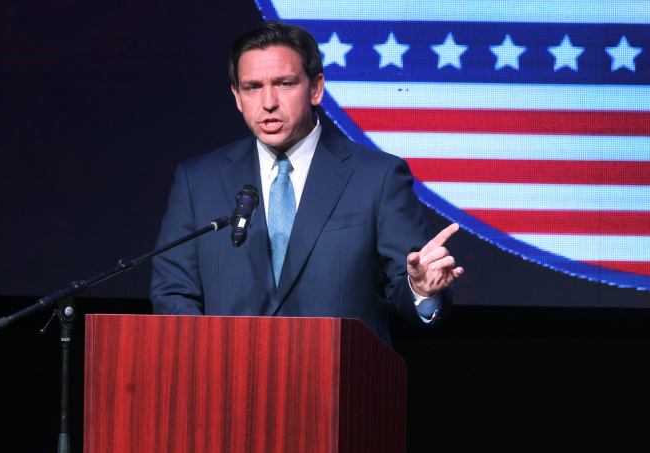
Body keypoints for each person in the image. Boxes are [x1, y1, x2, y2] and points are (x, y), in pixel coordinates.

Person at [150, 20, 463, 346]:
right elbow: (173, 290)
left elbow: (405, 287)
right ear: (237, 96)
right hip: (225, 383)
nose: (268, 102)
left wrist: (420, 290)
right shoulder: (198, 181)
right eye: (252, 87)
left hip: (337, 383)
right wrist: (206, 357)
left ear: (315, 89)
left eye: (284, 84)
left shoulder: (378, 178)